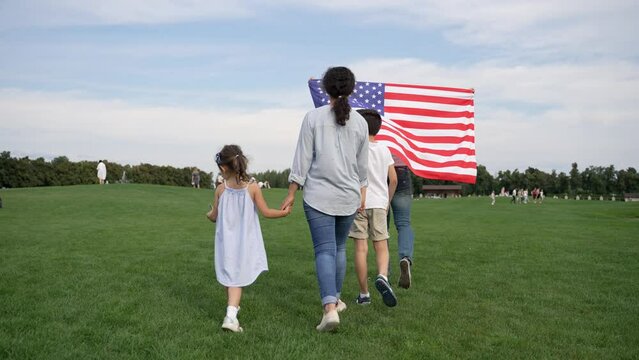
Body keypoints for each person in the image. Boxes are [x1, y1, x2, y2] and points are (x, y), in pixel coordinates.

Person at [280, 66, 368, 332]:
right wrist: (361, 195)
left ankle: (330, 308)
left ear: (325, 88)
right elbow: (362, 170)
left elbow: (302, 160)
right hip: (349, 197)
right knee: (339, 248)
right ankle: (336, 300)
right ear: (351, 89)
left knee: (325, 250)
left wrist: (292, 192)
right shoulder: (361, 123)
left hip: (318, 196)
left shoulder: (313, 118)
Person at [206, 145, 291, 333]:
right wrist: (283, 213)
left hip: (225, 242)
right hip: (244, 242)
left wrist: (208, 214)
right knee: (236, 278)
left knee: (230, 277)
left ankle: (232, 310)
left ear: (223, 168)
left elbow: (214, 216)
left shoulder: (220, 189)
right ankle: (231, 315)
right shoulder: (252, 188)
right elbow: (267, 212)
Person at [349, 109, 398, 307]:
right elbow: (393, 179)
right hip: (379, 203)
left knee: (361, 249)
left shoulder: (354, 148)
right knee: (381, 245)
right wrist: (387, 201)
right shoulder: (384, 149)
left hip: (358, 203)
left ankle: (364, 294)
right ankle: (382, 276)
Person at [388, 153, 416, 289]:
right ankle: (405, 257)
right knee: (404, 224)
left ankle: (384, 271)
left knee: (382, 229)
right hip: (402, 171)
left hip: (382, 170)